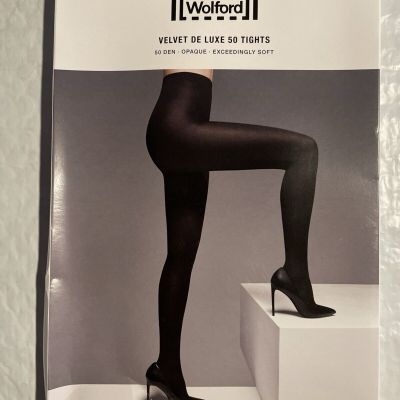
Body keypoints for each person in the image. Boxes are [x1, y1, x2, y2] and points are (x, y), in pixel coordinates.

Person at [145, 69, 335, 400]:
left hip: (175, 132)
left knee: (180, 255)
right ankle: (295, 277)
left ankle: (166, 369)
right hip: (181, 131)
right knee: (303, 150)